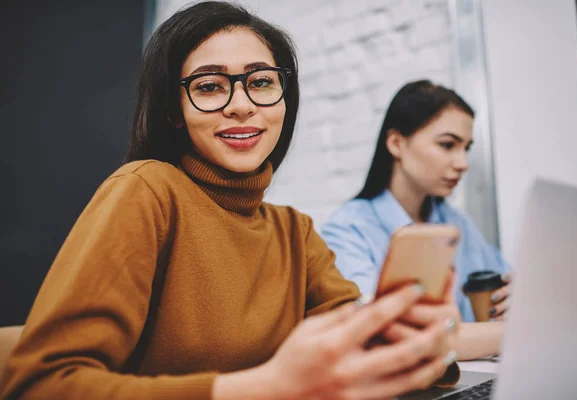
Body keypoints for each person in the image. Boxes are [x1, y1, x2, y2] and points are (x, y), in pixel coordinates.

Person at [0, 4, 461, 400]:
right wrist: (266, 386)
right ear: (172, 113)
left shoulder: (293, 232)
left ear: (285, 99)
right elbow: (42, 383)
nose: (241, 105)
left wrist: (420, 342)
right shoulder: (147, 191)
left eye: (261, 82)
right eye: (208, 86)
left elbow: (356, 359)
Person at [321, 80, 512, 360]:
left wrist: (516, 299)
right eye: (447, 145)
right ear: (397, 143)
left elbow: (508, 287)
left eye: (466, 148)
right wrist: (517, 332)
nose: (463, 163)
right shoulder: (346, 231)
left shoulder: (456, 222)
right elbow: (392, 339)